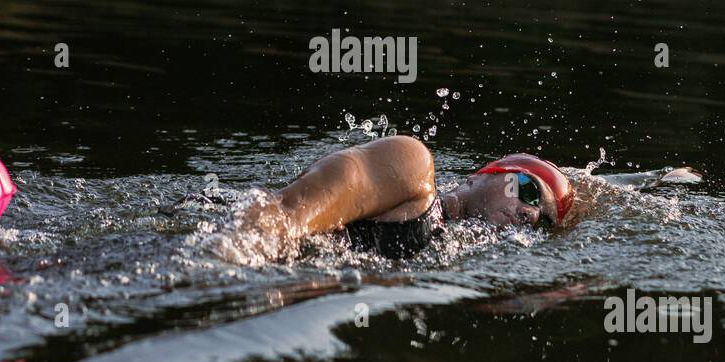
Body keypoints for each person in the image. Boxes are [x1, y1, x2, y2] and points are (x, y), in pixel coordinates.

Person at [210, 135, 575, 264]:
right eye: (528, 191)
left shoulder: (444, 251)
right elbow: (284, 215)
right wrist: (223, 264)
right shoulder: (412, 164)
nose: (528, 213)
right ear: (489, 172)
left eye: (540, 220)